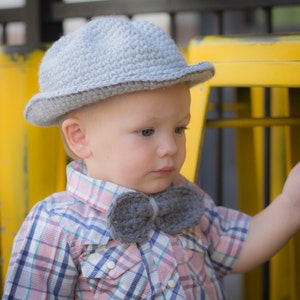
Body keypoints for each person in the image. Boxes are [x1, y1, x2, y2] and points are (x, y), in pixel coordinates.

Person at [3, 17, 300, 300]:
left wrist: (290, 204)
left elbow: (237, 249)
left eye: (179, 129)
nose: (170, 146)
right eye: (146, 131)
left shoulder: (185, 198)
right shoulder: (57, 225)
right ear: (80, 138)